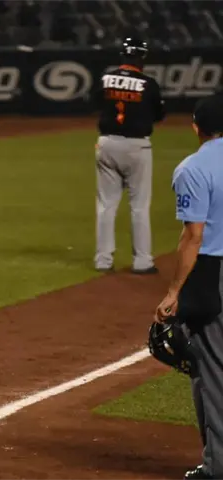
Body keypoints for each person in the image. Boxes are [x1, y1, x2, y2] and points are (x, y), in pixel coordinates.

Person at [155, 94, 223, 480]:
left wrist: (174, 292)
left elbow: (193, 237)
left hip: (213, 273)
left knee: (211, 369)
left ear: (197, 127)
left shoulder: (193, 168)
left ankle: (218, 466)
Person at [93, 36, 166, 274]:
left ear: (123, 55)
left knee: (106, 205)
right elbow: (158, 115)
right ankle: (142, 261)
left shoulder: (105, 78)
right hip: (137, 147)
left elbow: (96, 102)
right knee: (139, 206)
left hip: (106, 144)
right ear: (142, 57)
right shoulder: (148, 83)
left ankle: (103, 260)